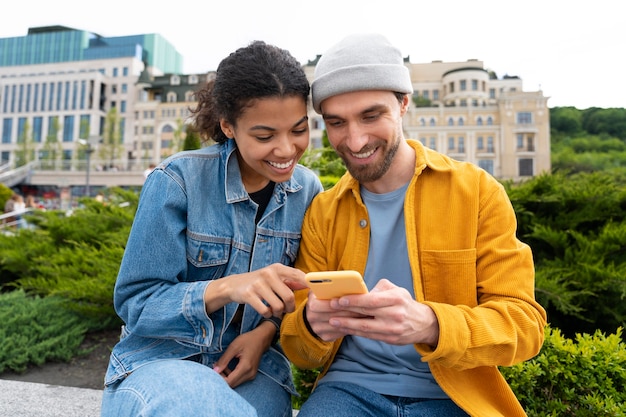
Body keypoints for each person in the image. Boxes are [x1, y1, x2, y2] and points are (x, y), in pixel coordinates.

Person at [280, 33, 547, 417]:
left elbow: (525, 326)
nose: (354, 141)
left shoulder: (477, 192)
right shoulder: (322, 211)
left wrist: (431, 324)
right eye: (337, 123)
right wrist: (310, 323)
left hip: (454, 395)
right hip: (346, 393)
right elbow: (298, 349)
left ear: (404, 104)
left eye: (371, 116)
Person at [100, 41, 323, 417]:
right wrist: (224, 288)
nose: (286, 150)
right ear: (227, 126)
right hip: (159, 361)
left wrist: (264, 333)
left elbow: (303, 295)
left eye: (299, 129)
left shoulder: (309, 191)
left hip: (255, 368)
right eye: (265, 136)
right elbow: (136, 305)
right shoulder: (178, 180)